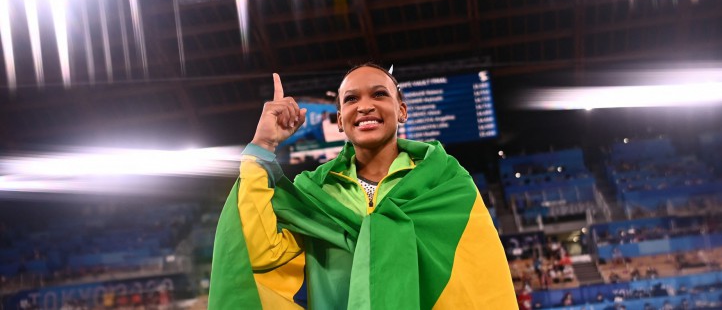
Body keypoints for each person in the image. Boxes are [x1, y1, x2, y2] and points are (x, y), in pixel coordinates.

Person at [209, 64, 517, 308]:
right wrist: (262, 146)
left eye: (380, 94)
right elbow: (262, 253)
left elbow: (480, 280)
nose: (365, 106)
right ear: (340, 120)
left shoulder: (445, 182)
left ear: (402, 111)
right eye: (351, 99)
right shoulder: (315, 192)